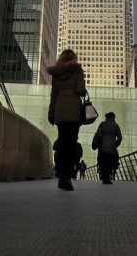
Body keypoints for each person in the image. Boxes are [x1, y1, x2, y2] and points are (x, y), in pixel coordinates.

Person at [47, 48, 87, 191]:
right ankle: (67, 178)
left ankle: (61, 174)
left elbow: (53, 95)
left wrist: (51, 113)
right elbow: (81, 90)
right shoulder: (77, 70)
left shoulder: (56, 73)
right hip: (73, 110)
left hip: (60, 110)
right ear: (73, 58)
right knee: (71, 144)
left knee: (63, 142)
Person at [94, 112, 122, 185]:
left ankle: (104, 177)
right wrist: (116, 144)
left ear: (107, 117)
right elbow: (119, 137)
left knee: (103, 162)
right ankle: (108, 178)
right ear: (113, 117)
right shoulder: (116, 126)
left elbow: (98, 134)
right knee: (110, 163)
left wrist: (98, 143)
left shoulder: (102, 124)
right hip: (112, 147)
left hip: (102, 147)